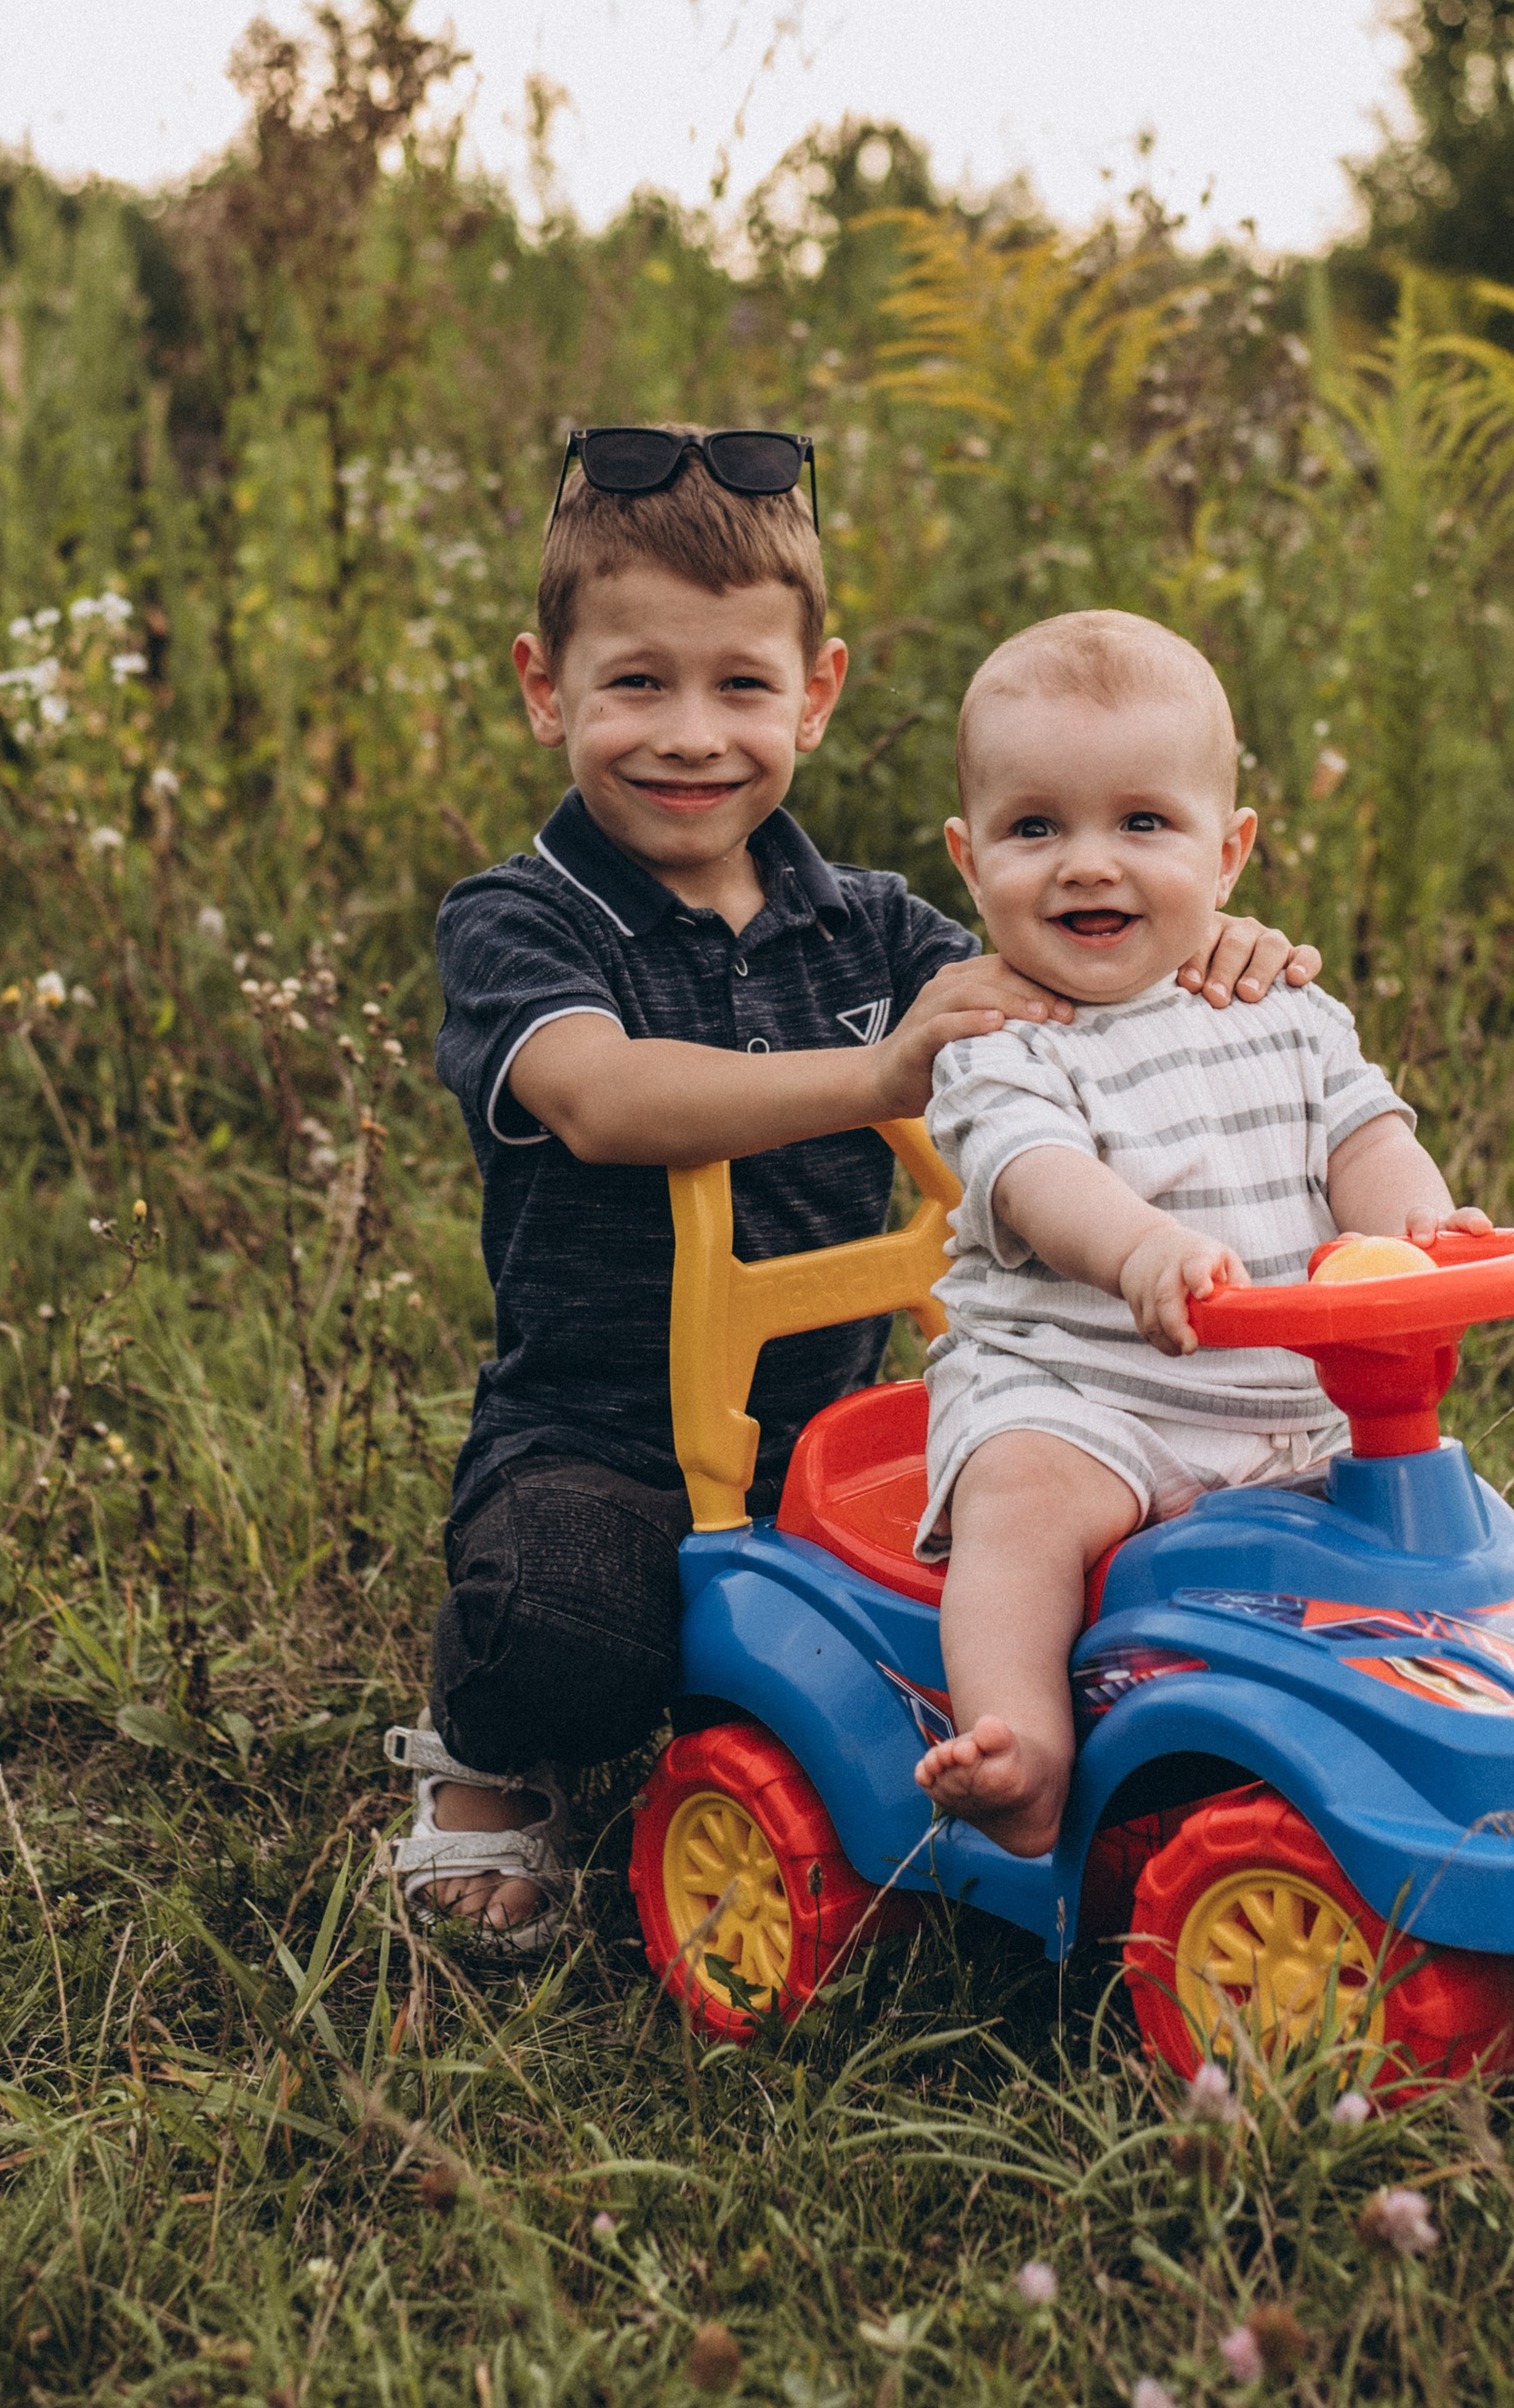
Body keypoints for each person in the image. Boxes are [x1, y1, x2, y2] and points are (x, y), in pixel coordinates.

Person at [389, 433, 1327, 1946]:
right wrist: (882, 1072)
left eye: (740, 686)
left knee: (1062, 1563)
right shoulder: (519, 920)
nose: (692, 735)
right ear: (544, 688)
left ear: (814, 696)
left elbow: (1076, 953)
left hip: (830, 1421)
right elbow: (599, 1098)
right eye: (637, 683)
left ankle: (1013, 1766)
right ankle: (489, 1761)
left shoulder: (874, 926)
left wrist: (1211, 937)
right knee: (571, 1621)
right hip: (600, 1437)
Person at [911, 608, 1489, 1858]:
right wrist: (1137, 1249)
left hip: (1288, 1409)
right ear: (969, 859)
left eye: (1142, 823)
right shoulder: (1001, 1043)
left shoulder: (1283, 1007)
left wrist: (1421, 1227)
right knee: (1017, 1503)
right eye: (1034, 828)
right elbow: (1038, 1176)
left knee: (1435, 1513)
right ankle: (1021, 1748)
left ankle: (1441, 1735)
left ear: (1228, 854)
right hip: (1087, 1397)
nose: (1087, 865)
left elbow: (1365, 1139)